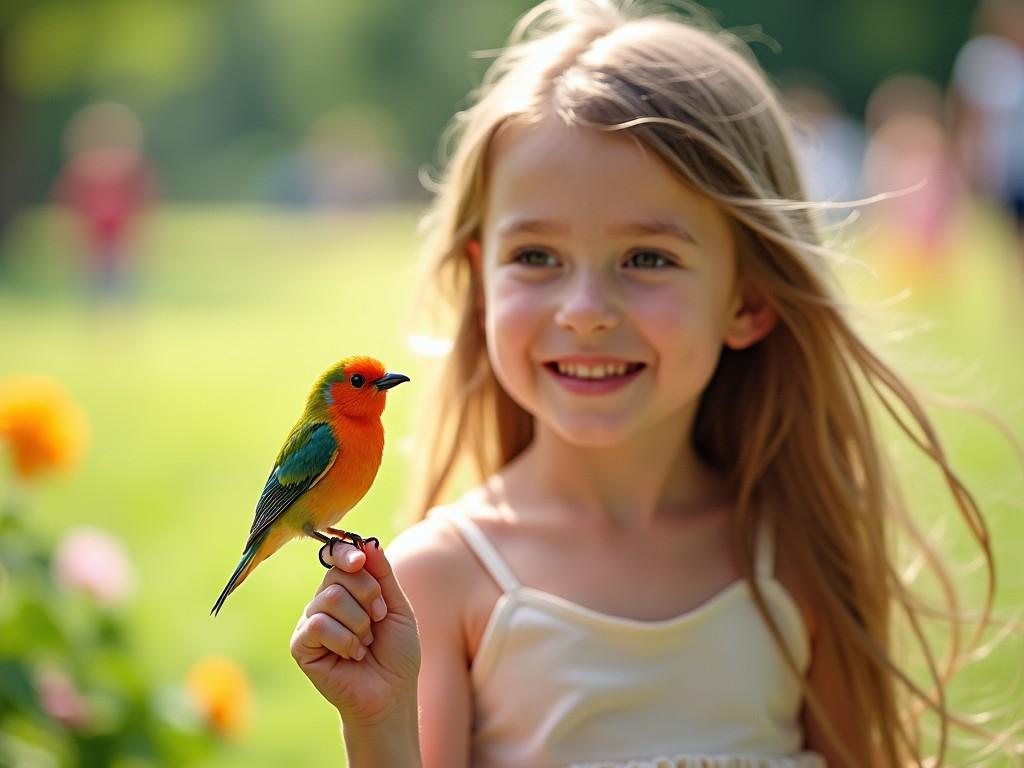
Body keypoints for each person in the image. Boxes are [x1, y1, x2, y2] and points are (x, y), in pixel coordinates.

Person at [289, 2, 1010, 766]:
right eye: (536, 256)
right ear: (481, 279)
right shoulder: (440, 578)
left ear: (749, 299)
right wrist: (378, 726)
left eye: (647, 259)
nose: (587, 312)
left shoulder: (795, 555)